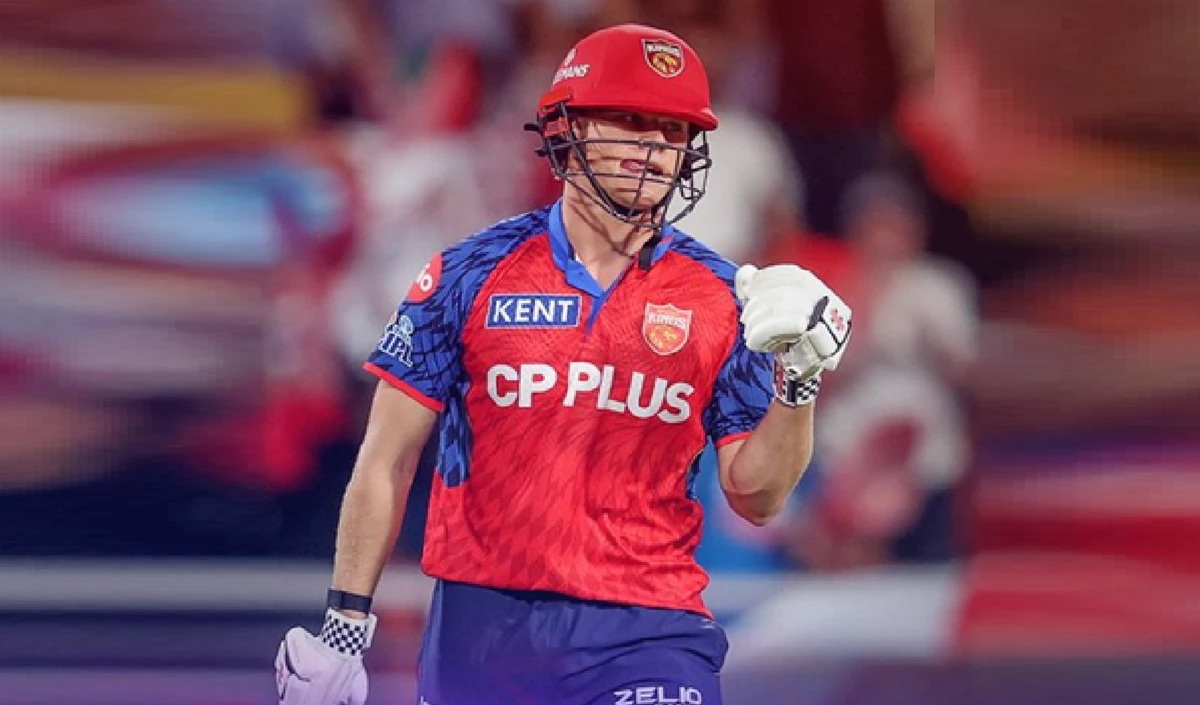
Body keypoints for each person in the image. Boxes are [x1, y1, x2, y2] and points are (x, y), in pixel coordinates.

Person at [275, 23, 853, 705]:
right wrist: (344, 629)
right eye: (631, 121)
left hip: (650, 628)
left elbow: (758, 496)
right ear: (567, 129)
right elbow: (387, 459)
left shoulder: (726, 298)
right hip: (480, 632)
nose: (655, 149)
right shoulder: (466, 275)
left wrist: (799, 382)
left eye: (674, 131)